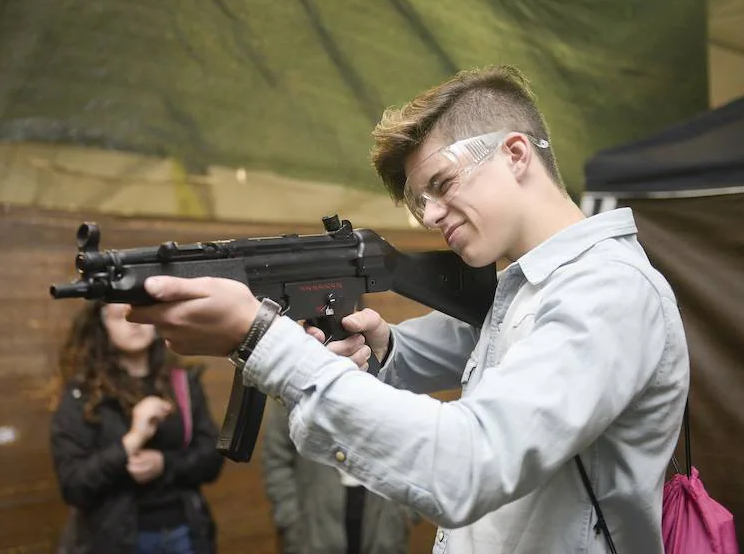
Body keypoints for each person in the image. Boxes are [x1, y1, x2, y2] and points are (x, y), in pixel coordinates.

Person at [125, 65, 691, 554]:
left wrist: (260, 339)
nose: (430, 216)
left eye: (442, 184)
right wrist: (380, 348)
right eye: (420, 202)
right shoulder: (522, 287)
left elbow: (468, 463)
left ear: (515, 153)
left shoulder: (606, 292)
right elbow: (463, 350)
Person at [50, 301, 224, 554]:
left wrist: (163, 463)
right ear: (102, 325)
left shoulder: (182, 383)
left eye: (140, 315)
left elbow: (212, 459)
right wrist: (132, 440)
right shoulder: (82, 395)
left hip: (184, 532)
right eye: (120, 317)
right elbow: (74, 486)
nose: (134, 324)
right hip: (115, 540)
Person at [261, 399, 418, 554]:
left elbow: (415, 448)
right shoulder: (298, 385)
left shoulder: (393, 381)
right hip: (315, 521)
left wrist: (405, 513)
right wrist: (291, 522)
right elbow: (276, 457)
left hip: (381, 517)